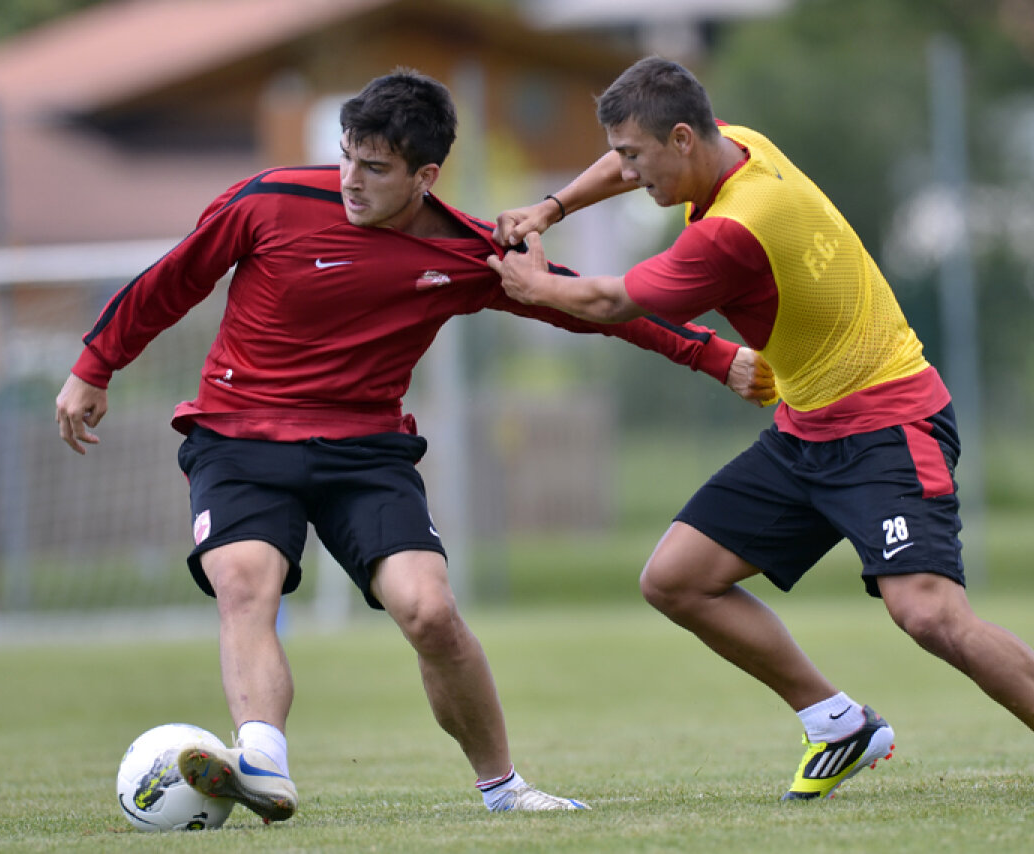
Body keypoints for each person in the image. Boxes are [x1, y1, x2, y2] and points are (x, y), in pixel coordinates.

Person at [54, 69, 770, 823]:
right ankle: (263, 763)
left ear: (425, 176)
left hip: (365, 453)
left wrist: (716, 357)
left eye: (375, 168)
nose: (350, 181)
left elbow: (591, 304)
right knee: (245, 582)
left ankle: (503, 789)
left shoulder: (467, 252)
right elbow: (174, 279)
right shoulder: (269, 200)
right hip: (239, 436)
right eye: (345, 158)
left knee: (427, 612)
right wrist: (94, 365)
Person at [488, 56, 1034, 804]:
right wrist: (553, 207)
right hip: (807, 430)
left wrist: (535, 285)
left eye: (637, 158)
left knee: (927, 613)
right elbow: (621, 162)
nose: (631, 174)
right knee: (676, 580)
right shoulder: (740, 144)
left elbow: (610, 304)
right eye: (622, 156)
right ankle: (837, 723)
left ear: (682, 139)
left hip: (889, 422)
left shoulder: (735, 229)